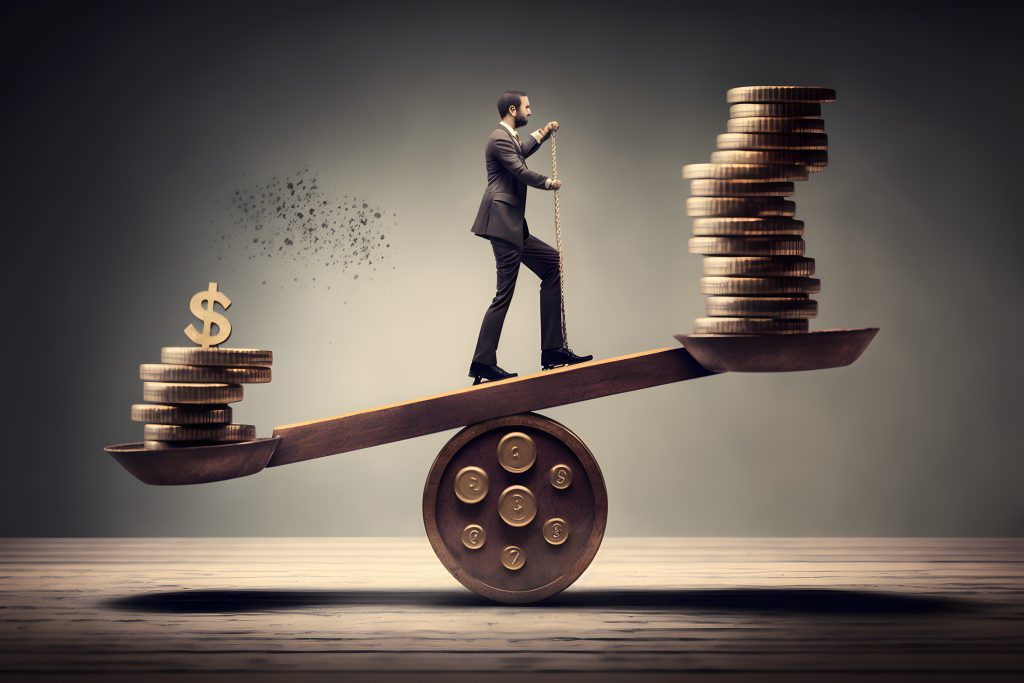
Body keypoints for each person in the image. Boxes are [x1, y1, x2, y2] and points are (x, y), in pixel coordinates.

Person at [468, 90, 592, 385]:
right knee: (504, 295)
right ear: (513, 109)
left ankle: (552, 350)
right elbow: (519, 170)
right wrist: (549, 182)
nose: (530, 111)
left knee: (551, 263)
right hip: (502, 223)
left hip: (512, 226)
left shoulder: (508, 138)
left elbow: (521, 150)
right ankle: (483, 362)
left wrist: (544, 133)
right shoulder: (498, 138)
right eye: (527, 107)